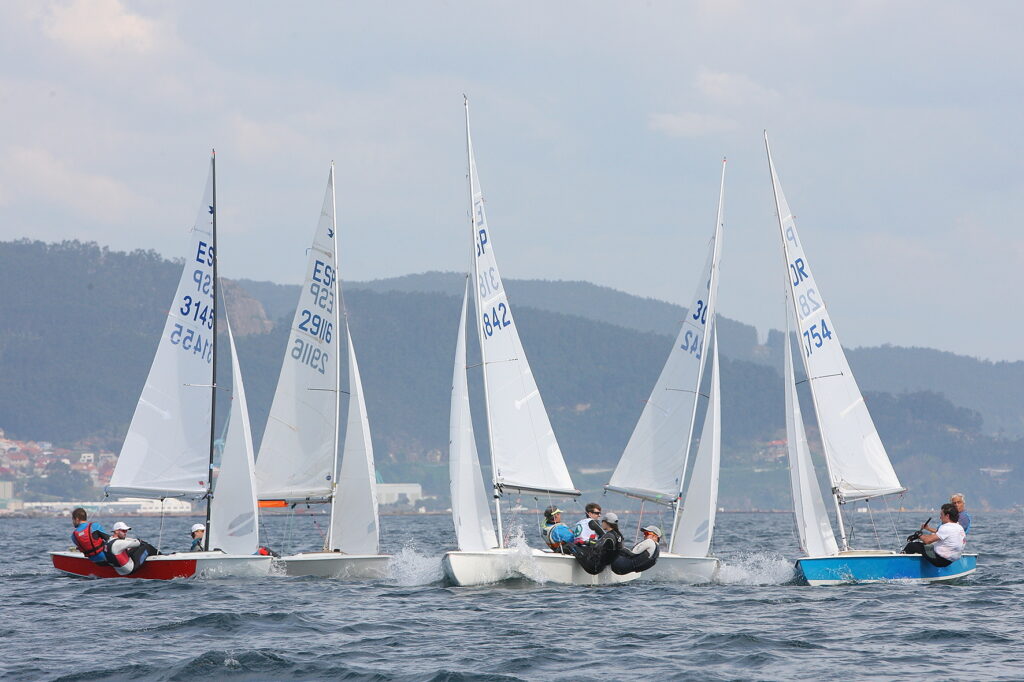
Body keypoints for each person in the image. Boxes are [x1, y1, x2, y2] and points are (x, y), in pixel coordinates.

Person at [903, 503, 966, 568]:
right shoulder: (959, 527)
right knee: (925, 545)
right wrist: (924, 532)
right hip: (950, 561)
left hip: (940, 560)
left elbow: (927, 540)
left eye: (941, 515)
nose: (940, 517)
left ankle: (901, 565)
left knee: (912, 546)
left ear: (947, 516)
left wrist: (918, 535)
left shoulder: (946, 527)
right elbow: (936, 536)